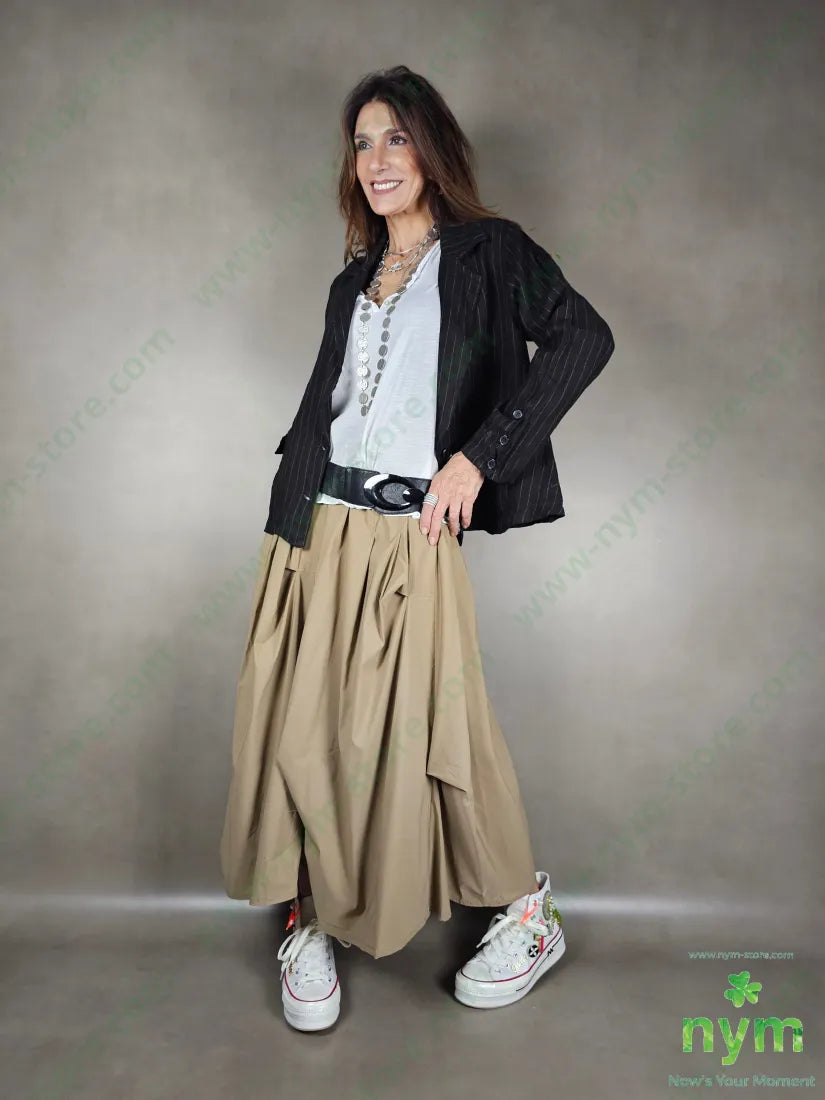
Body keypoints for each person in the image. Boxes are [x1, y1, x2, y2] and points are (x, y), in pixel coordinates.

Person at [219, 64, 615, 1032]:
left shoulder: (489, 253)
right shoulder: (350, 281)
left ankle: (526, 911)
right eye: (362, 143)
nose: (377, 159)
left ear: (431, 149)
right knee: (301, 725)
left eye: (395, 137)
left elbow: (583, 337)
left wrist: (479, 459)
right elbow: (336, 407)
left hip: (410, 531)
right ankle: (312, 912)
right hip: (315, 521)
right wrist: (292, 522)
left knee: (441, 728)